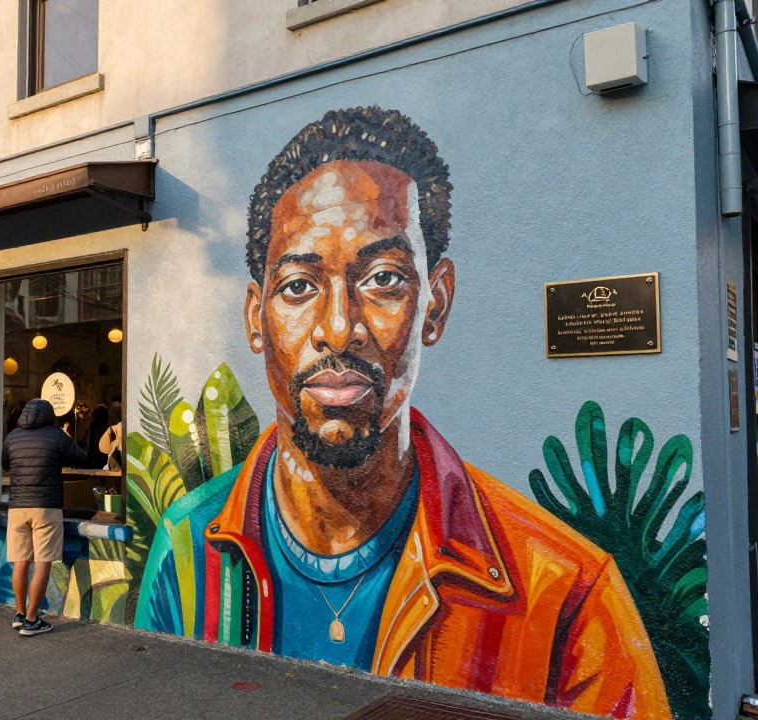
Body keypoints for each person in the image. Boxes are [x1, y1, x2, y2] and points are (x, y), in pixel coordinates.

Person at [138, 107, 670, 718]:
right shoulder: (189, 547)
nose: (339, 328)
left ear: (435, 305)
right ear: (256, 319)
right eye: (299, 286)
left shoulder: (564, 593)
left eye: (383, 279)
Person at [2, 398, 86, 636]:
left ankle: (20, 614)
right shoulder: (56, 435)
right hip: (45, 507)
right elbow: (81, 457)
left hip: (17, 507)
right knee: (43, 562)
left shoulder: (12, 436)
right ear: (49, 415)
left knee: (21, 561)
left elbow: (5, 464)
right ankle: (32, 621)